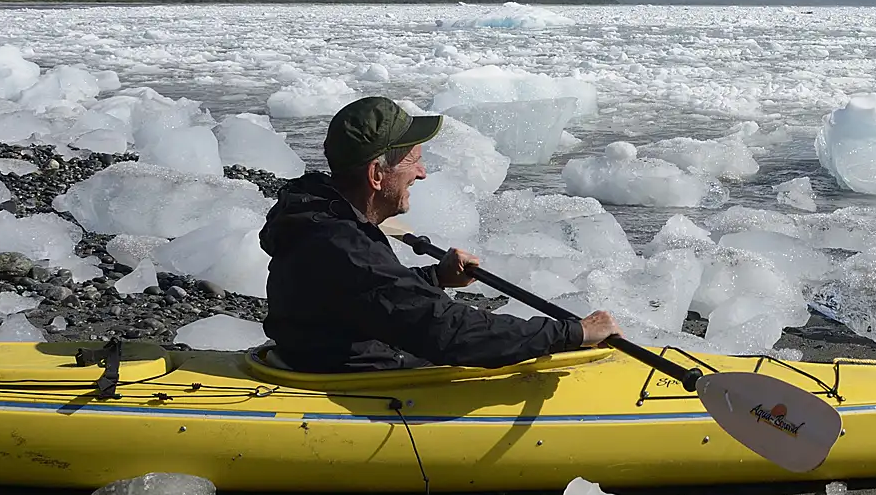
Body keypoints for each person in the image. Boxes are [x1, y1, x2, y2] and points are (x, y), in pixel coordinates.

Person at [261, 96, 618, 371]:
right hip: (348, 375)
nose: (422, 173)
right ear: (376, 175)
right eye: (413, 161)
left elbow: (363, 292)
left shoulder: (317, 213)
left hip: (321, 354)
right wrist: (575, 333)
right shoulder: (343, 244)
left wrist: (434, 276)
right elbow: (451, 333)